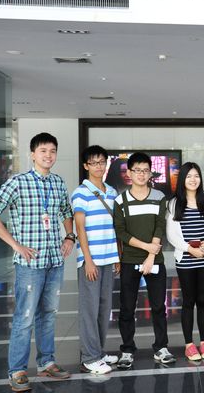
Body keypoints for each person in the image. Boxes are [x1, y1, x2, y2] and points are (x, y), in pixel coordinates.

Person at [0, 132, 75, 391]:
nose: (48, 155)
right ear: (32, 154)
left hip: (55, 261)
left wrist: (69, 236)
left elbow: (66, 212)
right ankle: (17, 370)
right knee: (24, 318)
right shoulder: (18, 182)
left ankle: (47, 362)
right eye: (43, 150)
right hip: (29, 265)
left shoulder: (58, 182)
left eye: (53, 151)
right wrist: (15, 245)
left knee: (49, 315)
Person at [114, 152, 175, 369]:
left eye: (145, 170)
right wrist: (146, 247)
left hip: (155, 260)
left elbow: (160, 225)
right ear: (129, 173)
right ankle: (127, 350)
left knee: (159, 306)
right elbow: (120, 232)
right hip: (130, 260)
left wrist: (151, 255)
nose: (141, 174)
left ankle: (161, 347)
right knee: (127, 308)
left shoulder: (159, 197)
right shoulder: (120, 201)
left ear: (150, 173)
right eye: (137, 170)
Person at [72, 145, 121, 374]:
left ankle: (98, 352)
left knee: (104, 308)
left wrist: (117, 256)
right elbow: (80, 228)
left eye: (102, 162)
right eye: (93, 162)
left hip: (109, 258)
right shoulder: (80, 193)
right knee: (89, 310)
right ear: (86, 166)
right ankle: (89, 358)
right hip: (90, 261)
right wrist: (88, 260)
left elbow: (115, 226)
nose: (99, 166)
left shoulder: (112, 191)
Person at [166, 162, 204, 362]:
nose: (193, 180)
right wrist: (190, 249)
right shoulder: (174, 203)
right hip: (186, 258)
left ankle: (203, 342)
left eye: (196, 176)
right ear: (183, 179)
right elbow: (171, 235)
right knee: (188, 301)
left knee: (203, 301)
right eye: (189, 176)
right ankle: (189, 345)